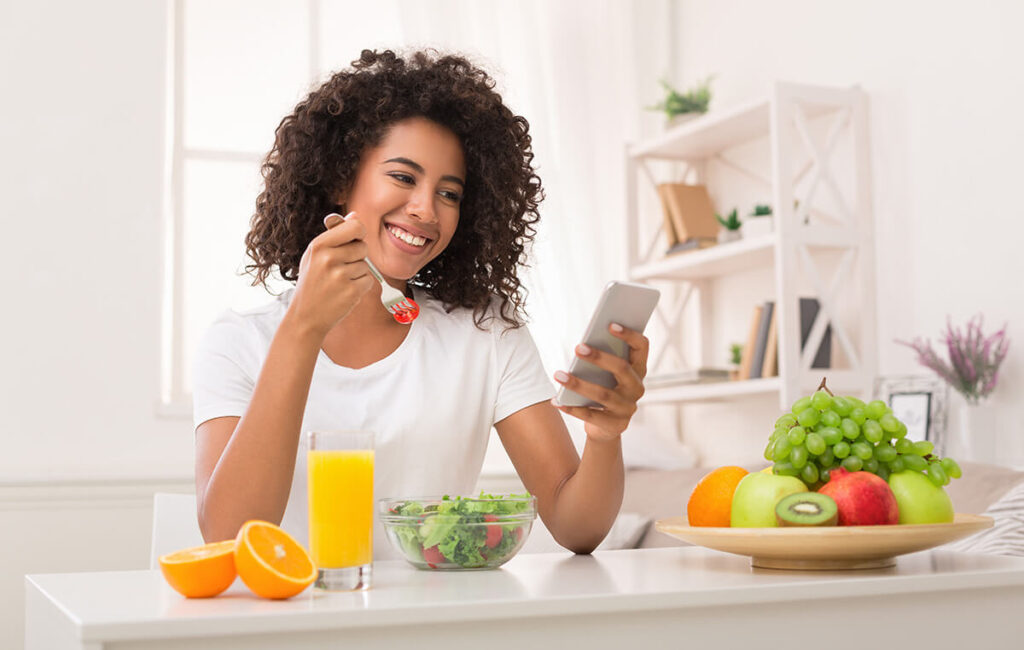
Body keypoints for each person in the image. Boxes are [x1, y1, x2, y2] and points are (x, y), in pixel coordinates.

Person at [192, 49, 650, 558]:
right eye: (404, 178)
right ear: (343, 179)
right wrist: (303, 328)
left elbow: (576, 527)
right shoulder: (238, 341)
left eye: (450, 193)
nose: (425, 209)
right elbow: (229, 537)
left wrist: (605, 437)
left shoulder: (486, 334)